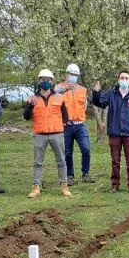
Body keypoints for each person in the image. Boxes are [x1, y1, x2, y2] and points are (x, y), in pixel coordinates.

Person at [23, 69, 73, 198]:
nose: (45, 82)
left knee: (61, 161)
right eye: (43, 79)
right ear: (39, 81)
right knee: (38, 162)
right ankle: (36, 187)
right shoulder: (33, 98)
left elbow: (65, 116)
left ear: (52, 81)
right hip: (39, 134)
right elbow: (26, 116)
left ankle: (64, 186)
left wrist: (61, 128)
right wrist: (29, 105)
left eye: (48, 80)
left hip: (57, 134)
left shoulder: (59, 97)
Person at [92, 71, 129, 193]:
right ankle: (115, 184)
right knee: (115, 160)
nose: (124, 80)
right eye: (122, 78)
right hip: (115, 132)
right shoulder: (111, 93)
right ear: (118, 79)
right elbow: (100, 103)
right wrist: (96, 92)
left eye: (126, 78)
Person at [55, 63, 95, 185]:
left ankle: (86, 173)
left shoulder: (82, 90)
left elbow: (85, 106)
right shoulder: (59, 88)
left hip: (80, 124)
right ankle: (70, 175)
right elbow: (54, 97)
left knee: (86, 149)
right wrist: (66, 88)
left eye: (75, 75)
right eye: (71, 74)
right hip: (65, 126)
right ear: (66, 74)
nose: (73, 77)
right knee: (67, 152)